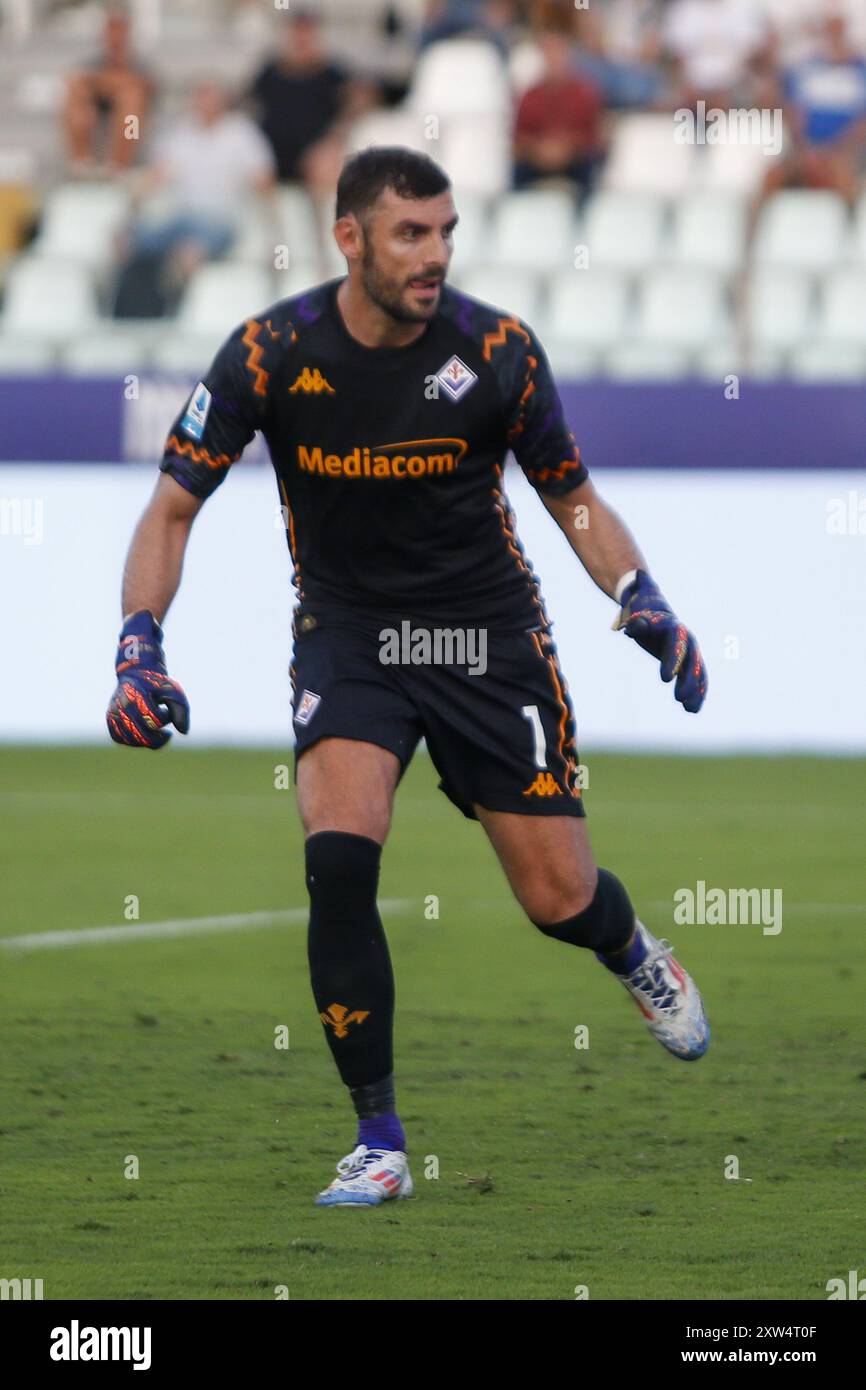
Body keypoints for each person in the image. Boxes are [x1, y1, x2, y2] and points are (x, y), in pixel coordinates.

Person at [106, 146, 710, 1208]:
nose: (434, 256)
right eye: (409, 234)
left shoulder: (497, 351)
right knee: (337, 860)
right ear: (349, 239)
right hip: (351, 636)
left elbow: (570, 495)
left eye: (444, 233)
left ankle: (627, 948)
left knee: (557, 895)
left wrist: (640, 594)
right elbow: (170, 508)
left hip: (486, 639)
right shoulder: (266, 353)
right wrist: (138, 642)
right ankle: (377, 1139)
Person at [113, 80, 275, 316]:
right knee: (129, 243)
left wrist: (274, 234)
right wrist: (130, 215)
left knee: (190, 253)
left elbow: (263, 180)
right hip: (182, 218)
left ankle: (178, 314)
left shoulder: (242, 134)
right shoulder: (181, 133)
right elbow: (157, 175)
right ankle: (131, 312)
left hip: (220, 221)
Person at [513, 27, 605, 195]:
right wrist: (539, 150)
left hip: (574, 160)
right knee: (517, 171)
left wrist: (566, 149)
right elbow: (519, 137)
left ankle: (585, 218)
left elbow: (593, 136)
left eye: (558, 52)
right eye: (549, 53)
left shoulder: (584, 93)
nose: (554, 59)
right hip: (536, 159)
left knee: (590, 168)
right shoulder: (530, 95)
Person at [63, 6, 153, 176]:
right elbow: (75, 81)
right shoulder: (93, 63)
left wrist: (105, 84)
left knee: (131, 106)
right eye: (111, 30)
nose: (115, 37)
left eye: (120, 30)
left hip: (132, 129)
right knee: (76, 98)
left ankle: (119, 166)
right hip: (96, 117)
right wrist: (112, 84)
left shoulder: (141, 65)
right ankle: (82, 164)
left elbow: (142, 86)